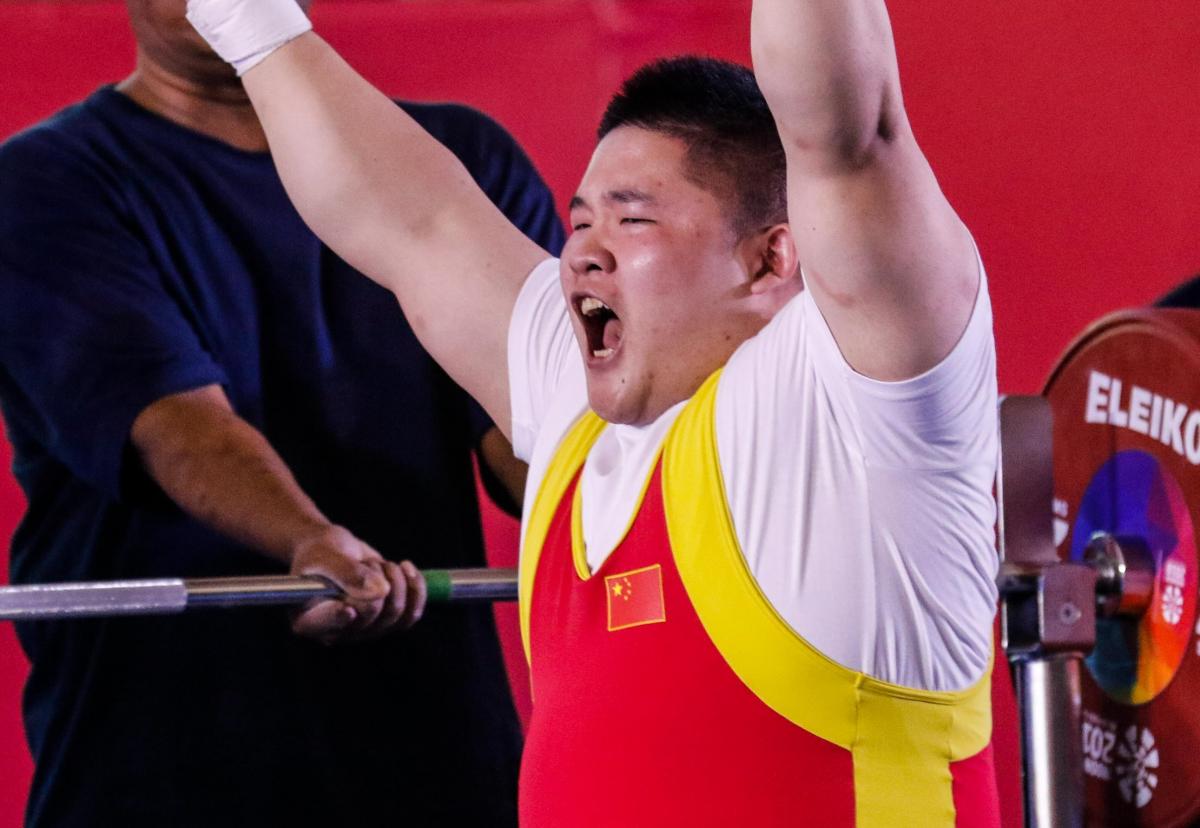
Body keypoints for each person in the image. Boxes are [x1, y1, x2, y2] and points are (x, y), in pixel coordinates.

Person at [186, 0, 1001, 825]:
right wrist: (241, 17)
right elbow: (411, 220)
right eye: (581, 220)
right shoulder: (578, 402)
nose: (582, 248)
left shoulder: (860, 408)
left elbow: (843, 135)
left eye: (632, 217)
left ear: (770, 258)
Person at [0, 1, 563, 825]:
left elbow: (536, 428)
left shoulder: (457, 162)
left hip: (438, 753)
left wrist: (619, 470)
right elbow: (176, 427)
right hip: (159, 763)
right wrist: (306, 537)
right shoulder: (44, 181)